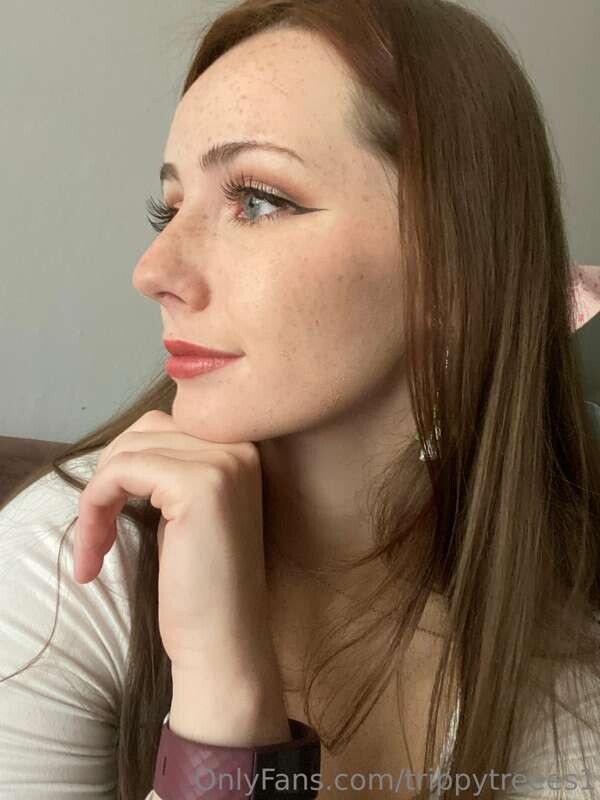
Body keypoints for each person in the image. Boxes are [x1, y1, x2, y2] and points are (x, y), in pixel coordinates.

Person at [1, 1, 600, 798]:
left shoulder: (569, 578)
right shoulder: (67, 565)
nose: (154, 271)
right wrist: (222, 705)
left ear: (459, 264)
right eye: (169, 208)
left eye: (256, 200)